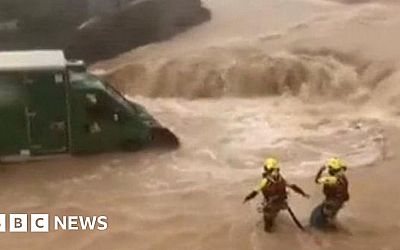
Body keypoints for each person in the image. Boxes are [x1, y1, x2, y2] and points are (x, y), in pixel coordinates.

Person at [243, 158, 310, 232]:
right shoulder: (282, 179)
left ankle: (269, 233)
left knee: (267, 224)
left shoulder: (265, 180)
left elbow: (255, 192)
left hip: (271, 204)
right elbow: (293, 186)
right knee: (274, 213)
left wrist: (247, 198)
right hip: (282, 203)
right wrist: (303, 194)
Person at [314, 157, 349, 223]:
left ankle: (330, 227)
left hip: (331, 203)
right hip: (340, 202)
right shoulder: (343, 178)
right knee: (333, 215)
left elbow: (317, 180)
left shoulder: (331, 180)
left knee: (327, 217)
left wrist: (320, 170)